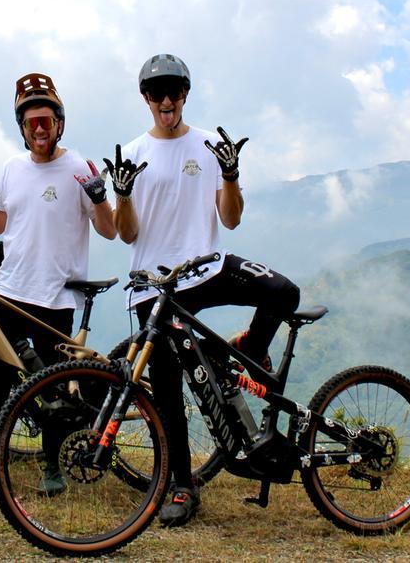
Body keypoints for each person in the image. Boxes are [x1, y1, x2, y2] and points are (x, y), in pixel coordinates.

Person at [107, 54, 300, 527]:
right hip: (155, 286)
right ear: (146, 99)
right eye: (157, 93)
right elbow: (125, 234)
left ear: (186, 94)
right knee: (169, 390)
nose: (167, 101)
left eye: (175, 91)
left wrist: (231, 175)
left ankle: (249, 348)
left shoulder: (209, 146)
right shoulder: (132, 152)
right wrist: (125, 195)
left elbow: (231, 218)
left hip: (208, 268)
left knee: (284, 292)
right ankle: (181, 486)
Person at [0, 72, 116, 493]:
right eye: (31, 123)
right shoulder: (12, 167)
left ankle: (52, 468)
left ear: (59, 124)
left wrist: (99, 197)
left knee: (56, 391)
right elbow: (0, 221)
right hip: (10, 291)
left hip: (56, 297)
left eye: (46, 121)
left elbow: (109, 230)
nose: (39, 129)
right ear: (22, 129)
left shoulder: (78, 167)